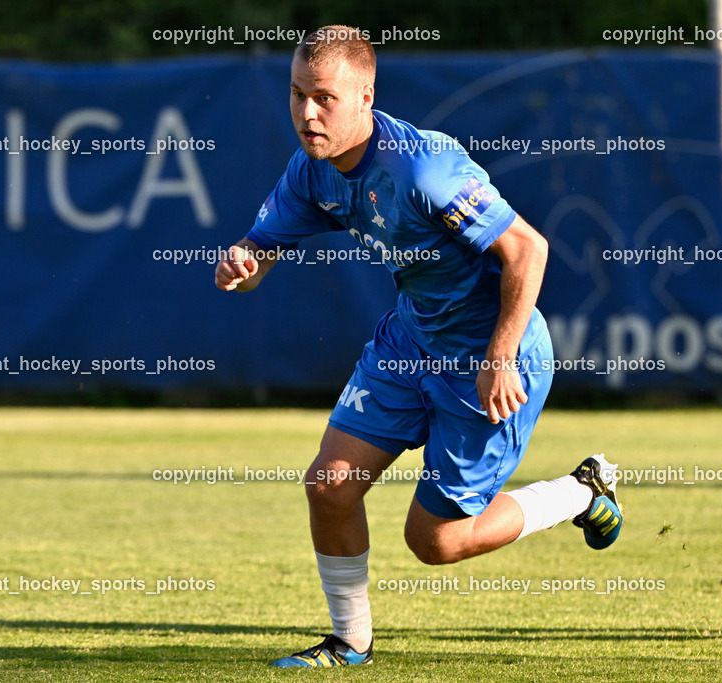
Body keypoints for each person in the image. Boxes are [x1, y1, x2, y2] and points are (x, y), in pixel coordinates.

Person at [215, 25, 623, 668]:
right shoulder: (313, 167)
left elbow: (527, 249)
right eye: (296, 94)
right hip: (411, 341)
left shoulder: (423, 166)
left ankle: (581, 493)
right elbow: (264, 247)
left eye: (324, 97)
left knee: (434, 540)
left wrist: (499, 357)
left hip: (492, 355)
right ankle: (350, 641)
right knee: (328, 487)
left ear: (366, 95)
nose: (306, 113)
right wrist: (246, 260)